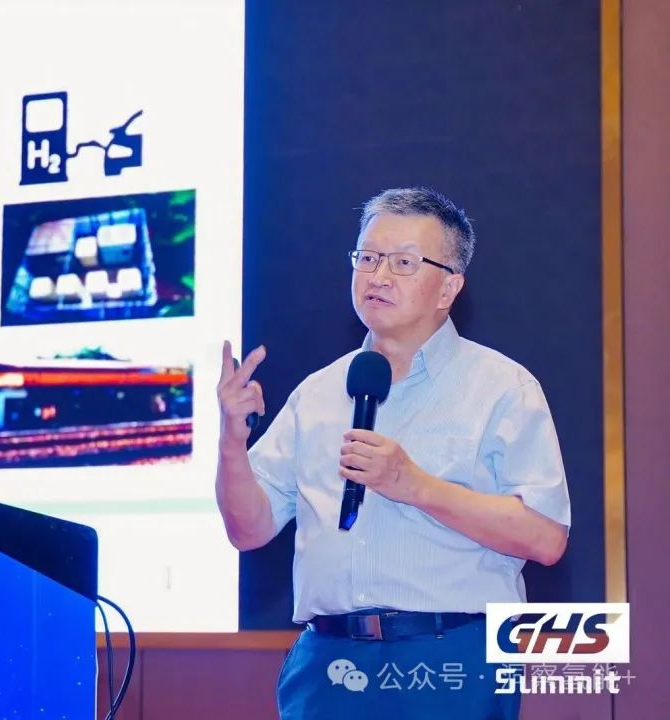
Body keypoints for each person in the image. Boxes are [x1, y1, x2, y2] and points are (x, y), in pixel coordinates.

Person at [215, 187, 570, 719]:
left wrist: (415, 486)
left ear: (448, 286)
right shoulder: (317, 392)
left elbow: (546, 537)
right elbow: (249, 530)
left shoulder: (503, 387)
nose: (378, 276)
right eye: (367, 257)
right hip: (328, 662)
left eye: (403, 262)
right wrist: (230, 441)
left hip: (447, 657)